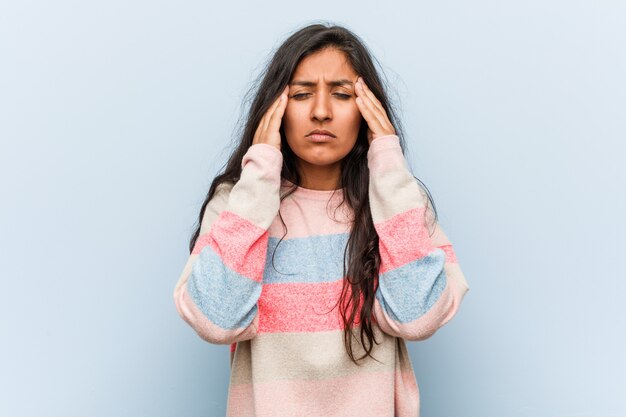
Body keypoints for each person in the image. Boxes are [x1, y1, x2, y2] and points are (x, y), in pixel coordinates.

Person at [173, 22, 470, 417]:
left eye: (343, 94)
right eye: (300, 94)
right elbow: (216, 320)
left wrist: (387, 163)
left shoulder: (399, 201)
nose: (321, 112)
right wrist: (260, 173)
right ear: (275, 108)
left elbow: (417, 318)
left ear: (368, 109)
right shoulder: (238, 203)